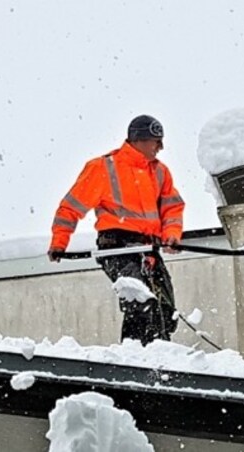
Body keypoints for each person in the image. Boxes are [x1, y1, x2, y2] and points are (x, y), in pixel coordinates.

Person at [47, 115, 185, 345]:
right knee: (140, 302)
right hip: (117, 248)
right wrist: (59, 244)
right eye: (156, 141)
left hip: (149, 249)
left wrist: (172, 235)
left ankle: (159, 355)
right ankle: (136, 359)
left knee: (166, 312)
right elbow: (70, 208)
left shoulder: (161, 172)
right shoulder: (103, 168)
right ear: (138, 140)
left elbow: (172, 208)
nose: (160, 147)